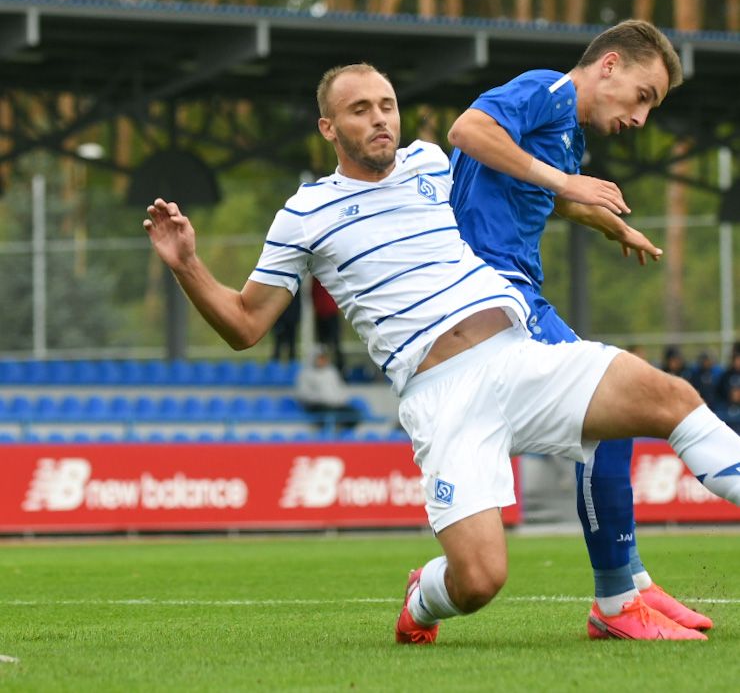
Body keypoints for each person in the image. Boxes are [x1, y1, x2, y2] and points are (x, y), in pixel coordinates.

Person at [144, 63, 740, 646]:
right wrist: (188, 265)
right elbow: (246, 325)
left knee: (669, 396)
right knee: (480, 581)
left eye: (387, 106)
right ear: (328, 128)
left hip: (516, 356)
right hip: (442, 399)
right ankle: (421, 596)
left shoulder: (429, 163)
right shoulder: (303, 214)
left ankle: (621, 593)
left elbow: (511, 184)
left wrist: (597, 218)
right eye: (360, 110)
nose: (380, 120)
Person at [447, 20, 713, 639]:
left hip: (515, 298)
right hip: (491, 299)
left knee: (614, 416)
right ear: (610, 65)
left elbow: (543, 194)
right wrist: (566, 181)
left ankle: (632, 584)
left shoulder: (564, 134)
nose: (642, 117)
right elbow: (468, 130)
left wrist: (607, 223)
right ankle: (617, 600)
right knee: (614, 406)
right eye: (643, 95)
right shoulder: (548, 90)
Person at [296, 345, 362, 430]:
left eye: (324, 358)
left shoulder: (331, 372)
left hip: (335, 406)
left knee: (353, 413)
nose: (323, 360)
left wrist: (339, 400)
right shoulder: (305, 374)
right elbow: (303, 395)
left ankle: (341, 433)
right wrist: (322, 398)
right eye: (320, 358)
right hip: (317, 406)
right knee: (328, 414)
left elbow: (341, 389)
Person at [312, 277, 345, 373]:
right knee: (322, 344)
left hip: (331, 313)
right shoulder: (316, 278)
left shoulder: (329, 276)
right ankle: (322, 367)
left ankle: (340, 368)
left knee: (335, 343)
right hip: (322, 312)